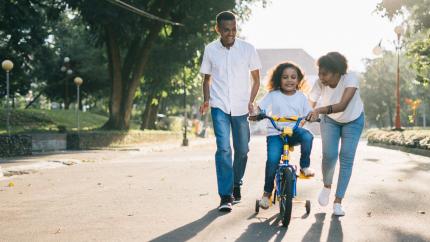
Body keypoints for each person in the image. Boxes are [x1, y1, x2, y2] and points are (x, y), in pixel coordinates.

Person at [199, 11, 261, 212]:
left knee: (242, 150)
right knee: (224, 149)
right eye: (226, 30)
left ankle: (236, 184)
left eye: (234, 29)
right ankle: (225, 195)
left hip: (242, 107)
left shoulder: (247, 49)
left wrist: (251, 101)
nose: (231, 33)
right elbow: (206, 79)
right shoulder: (210, 50)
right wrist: (207, 100)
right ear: (218, 29)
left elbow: (256, 79)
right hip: (219, 106)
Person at [307, 52, 365, 216]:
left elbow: (342, 105)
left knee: (346, 158)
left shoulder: (350, 79)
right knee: (329, 155)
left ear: (337, 72)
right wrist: (302, 120)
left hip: (353, 120)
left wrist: (318, 110)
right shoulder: (320, 83)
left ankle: (338, 202)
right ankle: (327, 186)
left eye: (324, 73)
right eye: (319, 73)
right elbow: (309, 104)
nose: (321, 77)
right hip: (330, 121)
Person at [255, 61, 315, 209]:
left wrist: (311, 116)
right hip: (276, 133)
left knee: (308, 136)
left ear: (298, 80)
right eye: (285, 77)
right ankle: (266, 194)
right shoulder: (273, 95)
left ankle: (304, 166)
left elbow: (308, 112)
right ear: (278, 79)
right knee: (273, 160)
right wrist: (258, 113)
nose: (289, 80)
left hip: (293, 131)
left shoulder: (301, 97)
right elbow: (259, 107)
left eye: (293, 77)